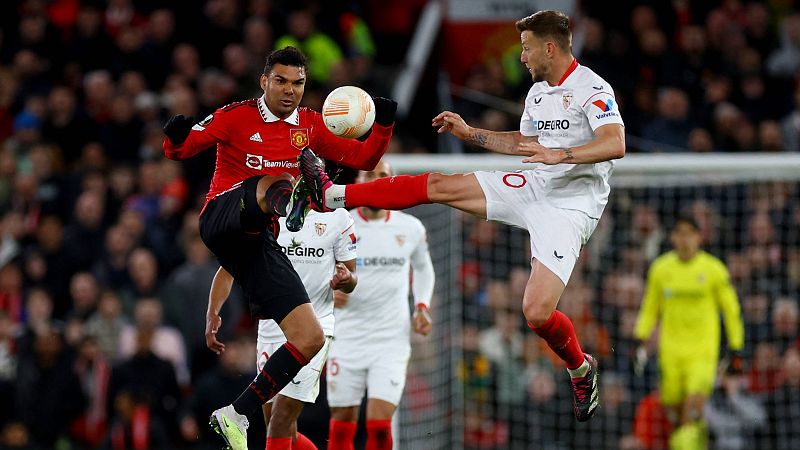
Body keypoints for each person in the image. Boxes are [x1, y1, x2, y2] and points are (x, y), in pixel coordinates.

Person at [295, 10, 625, 422]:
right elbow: (526, 143)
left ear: (550, 47)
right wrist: (472, 135)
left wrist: (562, 154)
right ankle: (334, 194)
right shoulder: (538, 94)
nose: (522, 57)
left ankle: (580, 367)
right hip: (536, 185)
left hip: (570, 206)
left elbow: (614, 142)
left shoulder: (592, 87)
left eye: (526, 48)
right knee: (440, 185)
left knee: (536, 312)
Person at [162, 45, 396, 450]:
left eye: (299, 83)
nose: (290, 90)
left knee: (310, 338)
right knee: (279, 182)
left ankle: (234, 415)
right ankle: (300, 197)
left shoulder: (310, 124)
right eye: (282, 81)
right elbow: (182, 149)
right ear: (265, 81)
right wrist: (174, 135)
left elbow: (363, 156)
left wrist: (383, 126)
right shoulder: (237, 115)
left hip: (258, 242)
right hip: (222, 216)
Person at [207, 205, 357, 450]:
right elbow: (228, 269)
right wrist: (212, 313)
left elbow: (352, 277)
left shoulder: (337, 218)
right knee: (283, 430)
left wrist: (346, 279)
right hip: (271, 330)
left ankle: (235, 416)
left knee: (281, 421)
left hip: (314, 332)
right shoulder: (268, 216)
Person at [326, 159, 435, 450]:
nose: (376, 181)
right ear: (358, 182)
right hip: (346, 335)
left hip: (391, 338)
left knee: (378, 425)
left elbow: (424, 269)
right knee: (341, 425)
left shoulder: (410, 227)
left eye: (383, 175)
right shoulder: (340, 224)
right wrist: (327, 291)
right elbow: (318, 270)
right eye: (370, 175)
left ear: (393, 180)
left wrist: (422, 306)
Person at [634, 215, 745, 450]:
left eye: (689, 234)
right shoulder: (661, 269)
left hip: (702, 354)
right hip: (671, 353)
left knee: (692, 410)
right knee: (677, 417)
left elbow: (731, 309)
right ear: (673, 237)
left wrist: (736, 346)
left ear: (699, 237)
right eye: (679, 234)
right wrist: (640, 338)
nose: (685, 240)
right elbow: (650, 307)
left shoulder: (714, 270)